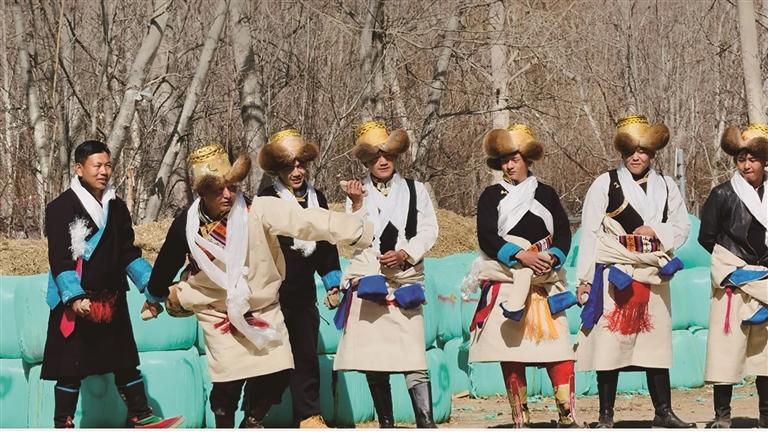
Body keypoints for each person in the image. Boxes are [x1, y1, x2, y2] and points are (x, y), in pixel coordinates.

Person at [147, 143, 372, 428]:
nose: (228, 195)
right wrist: (154, 296)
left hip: (262, 307)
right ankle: (225, 424)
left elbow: (305, 221)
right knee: (228, 380)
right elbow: (167, 262)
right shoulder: (187, 225)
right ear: (201, 192)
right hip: (217, 310)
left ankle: (253, 419)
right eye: (218, 190)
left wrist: (357, 229)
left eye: (232, 187)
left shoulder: (258, 209)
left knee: (280, 369)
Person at [43, 140, 183, 428]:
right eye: (97, 165)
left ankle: (140, 416)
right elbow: (60, 258)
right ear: (79, 169)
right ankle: (62, 424)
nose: (104, 171)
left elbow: (128, 253)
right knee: (70, 367)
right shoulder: (60, 207)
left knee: (124, 360)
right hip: (77, 300)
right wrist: (74, 297)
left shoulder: (116, 207)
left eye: (108, 165)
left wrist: (153, 286)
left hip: (111, 297)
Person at [574, 115, 693, 428]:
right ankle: (605, 415)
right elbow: (590, 232)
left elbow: (682, 227)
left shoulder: (667, 185)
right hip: (616, 272)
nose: (636, 157)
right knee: (610, 344)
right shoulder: (605, 183)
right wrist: (584, 279)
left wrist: (655, 230)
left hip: (653, 272)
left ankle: (663, 411)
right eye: (630, 151)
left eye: (642, 151)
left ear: (652, 153)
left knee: (655, 344)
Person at [468, 124, 578, 427]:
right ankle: (521, 417)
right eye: (504, 160)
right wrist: (520, 255)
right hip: (508, 277)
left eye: (514, 159)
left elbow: (563, 233)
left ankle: (567, 415)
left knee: (559, 350)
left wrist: (552, 257)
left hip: (545, 281)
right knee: (512, 352)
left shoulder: (546, 194)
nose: (509, 165)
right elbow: (487, 236)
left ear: (527, 160)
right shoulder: (491, 196)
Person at [333, 120, 439, 428]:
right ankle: (386, 423)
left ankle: (425, 423)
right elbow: (352, 238)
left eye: (388, 155)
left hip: (405, 280)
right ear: (366, 161)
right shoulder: (357, 194)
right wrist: (356, 205)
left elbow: (429, 230)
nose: (383, 161)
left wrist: (405, 253)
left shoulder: (416, 190)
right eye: (375, 156)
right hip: (371, 283)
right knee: (374, 360)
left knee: (414, 356)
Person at [257, 129, 343, 427]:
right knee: (272, 358)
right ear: (277, 170)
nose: (297, 172)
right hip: (274, 292)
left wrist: (332, 282)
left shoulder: (317, 198)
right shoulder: (266, 199)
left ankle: (308, 415)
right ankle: (255, 415)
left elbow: (327, 243)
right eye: (289, 167)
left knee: (306, 355)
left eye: (301, 165)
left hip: (304, 292)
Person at [698, 124, 768, 428]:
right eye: (741, 159)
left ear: (764, 160)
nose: (746, 165)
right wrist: (733, 264)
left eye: (753, 159)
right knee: (725, 351)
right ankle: (722, 416)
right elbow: (707, 236)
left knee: (766, 356)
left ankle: (766, 416)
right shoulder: (723, 194)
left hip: (766, 280)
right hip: (733, 281)